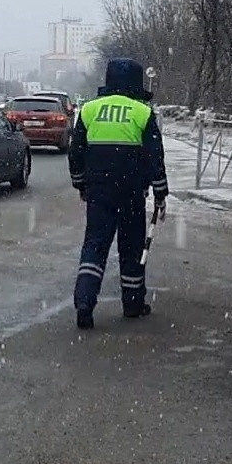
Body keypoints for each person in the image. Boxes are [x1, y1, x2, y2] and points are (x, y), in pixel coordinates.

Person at [67, 58, 169, 329]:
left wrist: (80, 183)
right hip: (131, 192)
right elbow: (154, 157)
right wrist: (160, 192)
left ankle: (84, 303)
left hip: (99, 192)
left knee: (95, 246)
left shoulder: (89, 110)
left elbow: (76, 150)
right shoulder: (142, 112)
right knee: (132, 247)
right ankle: (133, 303)